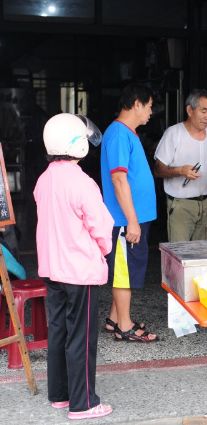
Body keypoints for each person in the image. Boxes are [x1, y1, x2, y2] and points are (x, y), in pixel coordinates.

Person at [34, 113, 114, 420]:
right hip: (80, 270)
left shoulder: (44, 179)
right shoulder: (82, 182)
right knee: (81, 336)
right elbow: (101, 226)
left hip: (52, 268)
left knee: (59, 331)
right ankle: (83, 404)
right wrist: (105, 251)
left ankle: (60, 395)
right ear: (78, 145)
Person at [100, 83, 158, 342]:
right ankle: (125, 326)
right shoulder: (119, 134)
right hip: (125, 220)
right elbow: (119, 180)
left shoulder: (127, 133)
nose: (150, 112)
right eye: (149, 106)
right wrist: (132, 221)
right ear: (136, 103)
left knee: (126, 270)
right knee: (124, 271)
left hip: (133, 218)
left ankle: (114, 319)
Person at [153, 89, 207, 242]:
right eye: (204, 111)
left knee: (204, 256)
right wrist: (180, 170)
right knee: (179, 255)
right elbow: (157, 170)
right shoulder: (174, 133)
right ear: (190, 110)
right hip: (182, 206)